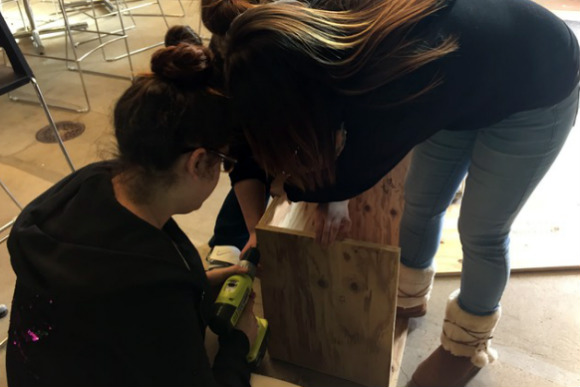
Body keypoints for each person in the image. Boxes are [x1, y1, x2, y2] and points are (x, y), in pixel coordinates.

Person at [200, 0, 580, 386]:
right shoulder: (311, 48)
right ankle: (409, 296)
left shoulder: (392, 89)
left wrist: (297, 188)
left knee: (482, 231)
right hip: (462, 81)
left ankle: (465, 348)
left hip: (538, 86)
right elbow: (332, 163)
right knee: (421, 202)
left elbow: (355, 171)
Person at [5, 42, 257, 387]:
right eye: (224, 163)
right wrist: (239, 341)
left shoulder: (92, 180)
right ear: (198, 162)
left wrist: (195, 283)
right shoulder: (152, 295)